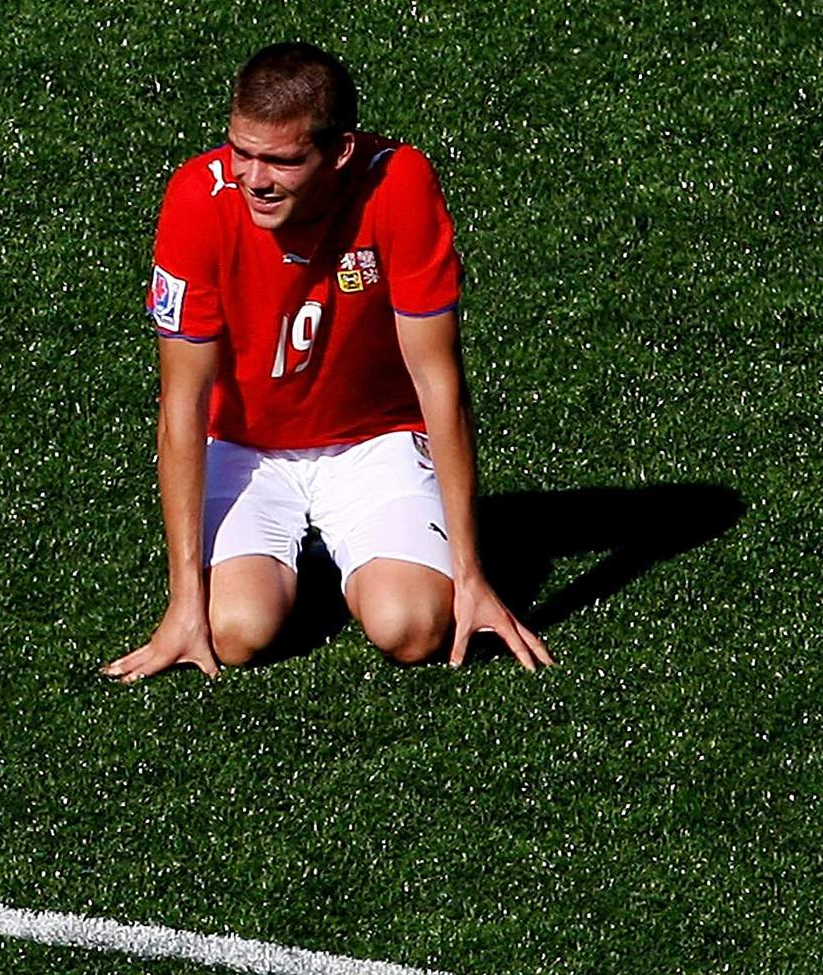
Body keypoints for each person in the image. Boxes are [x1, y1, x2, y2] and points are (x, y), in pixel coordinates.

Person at [103, 42, 552, 679]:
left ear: (340, 151)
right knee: (235, 632)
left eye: (282, 161)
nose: (254, 179)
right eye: (241, 152)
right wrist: (184, 606)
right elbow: (183, 402)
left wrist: (471, 574)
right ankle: (307, 556)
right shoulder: (196, 198)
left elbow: (439, 383)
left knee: (412, 628)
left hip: (373, 440)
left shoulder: (399, 184)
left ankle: (358, 551)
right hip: (245, 445)